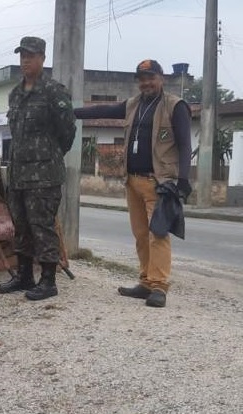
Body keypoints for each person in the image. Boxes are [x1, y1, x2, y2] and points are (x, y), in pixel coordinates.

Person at [74, 59, 193, 308]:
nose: (146, 83)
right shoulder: (134, 105)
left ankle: (159, 286)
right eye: (141, 79)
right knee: (140, 235)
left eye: (150, 77)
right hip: (133, 181)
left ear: (161, 78)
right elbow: (101, 111)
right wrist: (73, 112)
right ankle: (146, 283)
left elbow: (184, 144)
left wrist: (183, 180)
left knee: (157, 234)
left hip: (159, 182)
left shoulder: (175, 106)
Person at [0, 36, 76, 301]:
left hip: (44, 176)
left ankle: (48, 281)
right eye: (22, 56)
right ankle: (24, 276)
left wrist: (50, 156)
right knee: (21, 226)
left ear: (42, 58)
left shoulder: (54, 91)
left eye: (30, 56)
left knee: (42, 226)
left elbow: (67, 131)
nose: (25, 60)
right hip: (18, 174)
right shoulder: (15, 94)